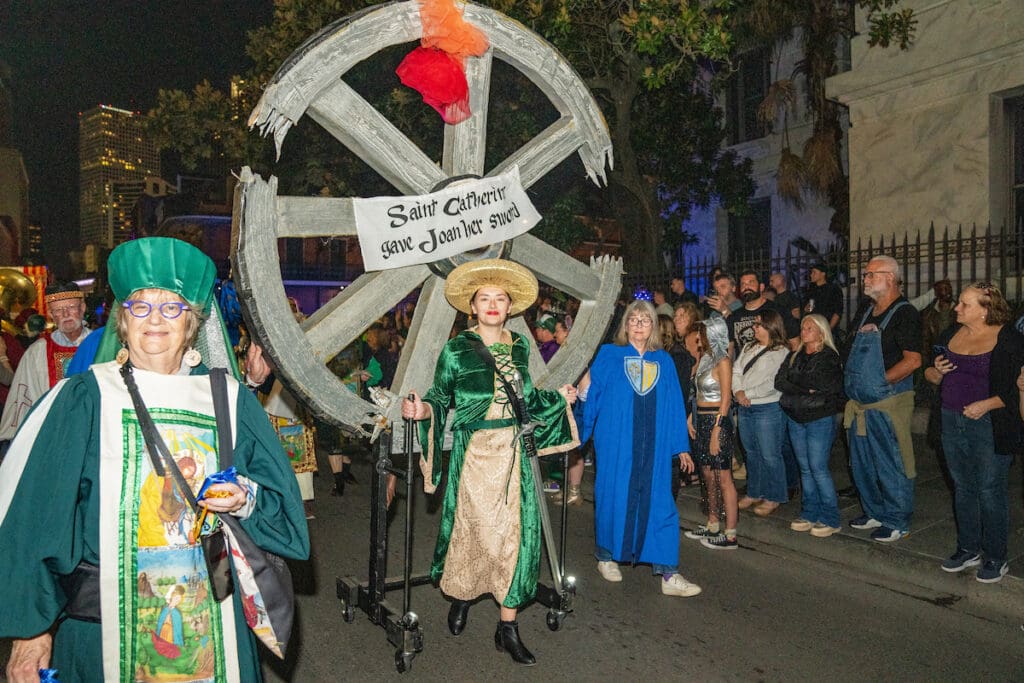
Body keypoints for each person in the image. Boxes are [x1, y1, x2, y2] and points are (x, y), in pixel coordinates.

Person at [0, 237, 309, 682]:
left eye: (172, 307)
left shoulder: (230, 401)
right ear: (123, 321)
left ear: (193, 323)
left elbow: (285, 518)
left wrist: (244, 498)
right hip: (101, 629)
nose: (155, 319)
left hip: (214, 624)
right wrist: (31, 635)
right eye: (141, 306)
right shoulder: (84, 399)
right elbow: (38, 519)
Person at [401, 258, 578, 666]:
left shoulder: (519, 346)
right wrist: (423, 411)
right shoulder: (456, 350)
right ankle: (462, 597)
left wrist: (559, 399)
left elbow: (527, 400)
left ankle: (508, 627)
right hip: (474, 456)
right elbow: (441, 397)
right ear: (473, 308)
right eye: (485, 299)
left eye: (500, 298)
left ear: (510, 306)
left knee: (513, 541)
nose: (493, 305)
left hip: (514, 455)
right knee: (473, 534)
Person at [577, 299, 700, 597]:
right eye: (634, 319)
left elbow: (673, 405)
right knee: (614, 498)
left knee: (661, 503)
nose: (640, 324)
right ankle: (606, 557)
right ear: (626, 325)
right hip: (617, 444)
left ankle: (669, 574)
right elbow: (589, 394)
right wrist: (581, 398)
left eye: (646, 319)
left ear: (654, 326)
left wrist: (680, 446)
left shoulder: (664, 361)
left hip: (655, 449)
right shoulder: (608, 355)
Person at [924, 283, 1023, 583]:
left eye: (965, 305)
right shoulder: (950, 334)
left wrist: (988, 404)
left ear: (985, 309)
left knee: (990, 490)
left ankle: (996, 556)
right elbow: (930, 373)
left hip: (989, 423)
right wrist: (936, 372)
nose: (957, 308)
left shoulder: (1008, 338)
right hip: (951, 420)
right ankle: (968, 548)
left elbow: (1016, 386)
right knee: (963, 487)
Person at [844, 255, 922, 542]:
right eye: (865, 275)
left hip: (888, 403)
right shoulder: (867, 310)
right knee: (863, 462)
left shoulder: (905, 314)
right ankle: (875, 511)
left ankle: (897, 519)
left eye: (870, 274)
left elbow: (913, 361)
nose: (865, 279)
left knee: (892, 462)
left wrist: (878, 381)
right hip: (861, 405)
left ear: (890, 277)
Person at [776, 314, 845, 537]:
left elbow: (823, 383)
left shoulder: (828, 356)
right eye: (803, 327)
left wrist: (796, 383)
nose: (804, 330)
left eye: (809, 327)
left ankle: (831, 517)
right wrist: (804, 387)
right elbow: (779, 381)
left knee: (818, 467)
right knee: (804, 468)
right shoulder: (795, 355)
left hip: (819, 417)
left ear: (821, 332)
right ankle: (810, 511)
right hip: (796, 416)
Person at [0, 282, 94, 440]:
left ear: (82, 308)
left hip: (93, 433)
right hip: (53, 434)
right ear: (50, 314)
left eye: (71, 307)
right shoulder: (37, 352)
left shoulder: (100, 345)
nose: (65, 314)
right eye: (58, 310)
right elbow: (24, 397)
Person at [683, 316, 738, 550]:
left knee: (723, 477)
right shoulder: (706, 358)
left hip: (718, 420)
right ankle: (713, 522)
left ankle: (731, 533)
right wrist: (690, 418)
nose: (699, 337)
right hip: (701, 419)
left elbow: (726, 398)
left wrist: (717, 429)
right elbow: (697, 393)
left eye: (704, 332)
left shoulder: (722, 360)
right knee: (707, 475)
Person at [732, 310, 790, 517]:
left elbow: (774, 382)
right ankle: (755, 491)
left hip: (767, 407)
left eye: (758, 325)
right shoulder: (749, 347)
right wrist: (738, 392)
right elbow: (736, 370)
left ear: (771, 327)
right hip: (745, 406)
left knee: (770, 454)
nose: (754, 328)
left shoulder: (781, 351)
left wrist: (747, 393)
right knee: (752, 453)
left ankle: (775, 496)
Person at [802, 263, 843, 331]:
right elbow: (805, 308)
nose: (811, 275)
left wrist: (829, 329)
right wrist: (805, 309)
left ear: (823, 274)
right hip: (811, 327)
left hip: (825, 326)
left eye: (814, 272)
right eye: (811, 272)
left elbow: (838, 312)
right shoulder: (811, 289)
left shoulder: (833, 289)